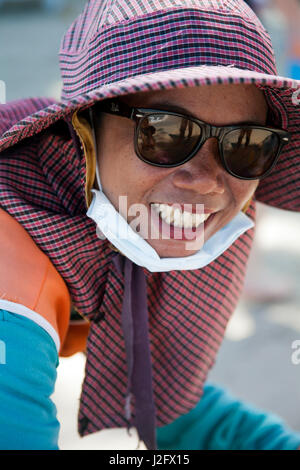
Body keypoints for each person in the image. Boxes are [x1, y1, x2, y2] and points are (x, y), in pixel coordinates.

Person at [0, 0, 300, 451]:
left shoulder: (99, 224)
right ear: (85, 130)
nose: (205, 181)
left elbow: (164, 402)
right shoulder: (11, 286)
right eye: (165, 132)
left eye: (245, 144)